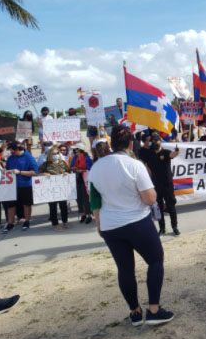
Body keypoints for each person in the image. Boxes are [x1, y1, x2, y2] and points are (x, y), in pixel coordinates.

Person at [89, 125, 174, 326]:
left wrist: (99, 223)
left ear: (111, 143)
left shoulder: (97, 167)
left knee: (125, 269)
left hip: (110, 225)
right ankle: (153, 309)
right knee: (155, 260)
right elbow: (150, 198)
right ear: (130, 144)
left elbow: (95, 199)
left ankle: (135, 312)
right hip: (136, 221)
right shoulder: (134, 165)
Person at [143, 135, 180, 236]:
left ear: (160, 141)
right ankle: (162, 228)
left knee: (171, 206)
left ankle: (175, 227)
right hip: (156, 185)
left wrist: (177, 151)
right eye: (152, 141)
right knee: (158, 208)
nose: (154, 142)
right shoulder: (149, 154)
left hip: (167, 184)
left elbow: (173, 154)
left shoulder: (165, 152)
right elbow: (146, 166)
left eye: (156, 141)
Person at [2, 141, 38, 233]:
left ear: (18, 149)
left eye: (13, 151)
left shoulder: (29, 158)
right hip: (12, 186)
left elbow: (34, 172)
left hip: (25, 185)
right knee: (11, 206)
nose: (11, 153)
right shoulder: (11, 158)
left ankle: (26, 221)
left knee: (26, 205)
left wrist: (20, 172)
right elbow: (8, 170)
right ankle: (10, 223)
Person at [39, 146, 70, 231]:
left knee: (63, 206)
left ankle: (65, 221)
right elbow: (38, 174)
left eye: (57, 153)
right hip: (50, 189)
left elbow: (68, 171)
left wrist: (66, 173)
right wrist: (44, 174)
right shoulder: (46, 164)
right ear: (49, 155)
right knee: (53, 207)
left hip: (61, 188)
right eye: (53, 154)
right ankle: (55, 223)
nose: (55, 155)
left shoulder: (62, 163)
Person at [70, 143, 93, 224]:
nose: (74, 151)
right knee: (79, 198)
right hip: (77, 179)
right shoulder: (75, 158)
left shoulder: (87, 158)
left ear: (79, 150)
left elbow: (90, 168)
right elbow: (71, 165)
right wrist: (73, 168)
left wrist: (82, 170)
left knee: (85, 198)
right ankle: (83, 214)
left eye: (76, 149)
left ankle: (89, 215)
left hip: (85, 180)